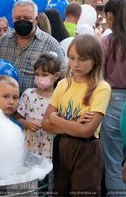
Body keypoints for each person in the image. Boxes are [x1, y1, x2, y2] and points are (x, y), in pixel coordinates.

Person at [42, 34, 111, 196]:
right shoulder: (63, 84)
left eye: (82, 59)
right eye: (72, 58)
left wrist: (56, 119)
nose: (75, 64)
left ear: (95, 59)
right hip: (61, 148)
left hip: (87, 150)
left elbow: (86, 131)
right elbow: (45, 123)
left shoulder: (101, 88)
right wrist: (74, 124)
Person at [100, 0, 126, 195]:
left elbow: (99, 76)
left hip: (110, 100)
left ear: (110, 16)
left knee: (113, 163)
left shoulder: (105, 42)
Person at [0, 0, 66, 95]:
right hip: (3, 106)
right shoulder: (3, 42)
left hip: (35, 107)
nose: (22, 21)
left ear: (36, 19)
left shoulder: (51, 45)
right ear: (12, 18)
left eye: (27, 18)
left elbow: (63, 79)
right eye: (18, 18)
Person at [16, 52, 62, 160]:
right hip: (29, 144)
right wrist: (26, 123)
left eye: (45, 75)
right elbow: (18, 117)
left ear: (56, 76)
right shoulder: (28, 94)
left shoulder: (59, 98)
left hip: (49, 146)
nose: (40, 78)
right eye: (37, 74)